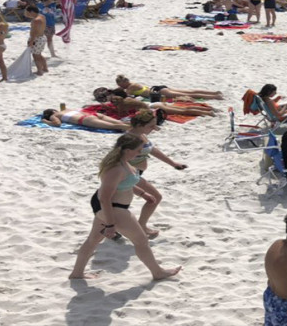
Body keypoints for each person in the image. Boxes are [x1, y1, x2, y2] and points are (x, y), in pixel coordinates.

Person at [68, 134, 182, 280]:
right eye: (138, 150)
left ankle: (76, 274)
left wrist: (142, 194)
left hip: (111, 206)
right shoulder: (115, 169)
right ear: (128, 150)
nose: (140, 153)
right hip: (112, 207)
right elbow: (105, 198)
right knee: (141, 241)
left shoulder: (124, 163)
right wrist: (110, 224)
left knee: (93, 240)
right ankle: (158, 273)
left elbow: (125, 183)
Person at [126, 110, 187, 238]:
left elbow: (152, 150)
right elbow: (119, 160)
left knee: (120, 204)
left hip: (136, 174)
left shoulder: (141, 134)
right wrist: (127, 179)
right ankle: (140, 226)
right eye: (151, 126)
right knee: (154, 198)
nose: (155, 128)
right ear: (139, 125)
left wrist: (173, 163)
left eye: (155, 125)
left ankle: (136, 226)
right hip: (127, 176)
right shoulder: (130, 140)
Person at [107, 89, 216, 117]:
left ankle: (208, 112)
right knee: (183, 109)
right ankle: (208, 110)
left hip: (154, 107)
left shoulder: (122, 105)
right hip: (155, 104)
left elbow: (120, 115)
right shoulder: (128, 100)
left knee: (184, 111)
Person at [115, 75, 224, 101]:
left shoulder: (131, 87)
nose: (120, 87)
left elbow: (127, 96)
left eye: (120, 85)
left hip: (159, 91)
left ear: (123, 83)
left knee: (189, 94)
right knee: (189, 91)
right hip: (159, 88)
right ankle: (214, 92)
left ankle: (215, 96)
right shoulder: (133, 84)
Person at [41, 108, 131, 131]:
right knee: (120, 122)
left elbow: (57, 124)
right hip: (93, 114)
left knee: (113, 126)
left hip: (85, 119)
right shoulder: (67, 109)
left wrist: (46, 121)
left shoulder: (54, 115)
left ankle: (134, 128)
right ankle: (135, 125)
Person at [23, 5, 48, 76]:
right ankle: (45, 68)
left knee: (35, 55)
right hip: (42, 37)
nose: (26, 14)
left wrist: (31, 41)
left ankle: (39, 71)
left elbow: (34, 32)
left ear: (31, 12)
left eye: (27, 12)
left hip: (37, 39)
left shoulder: (36, 20)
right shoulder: (42, 16)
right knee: (39, 54)